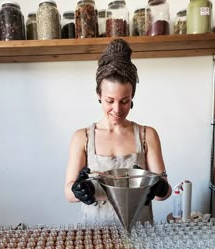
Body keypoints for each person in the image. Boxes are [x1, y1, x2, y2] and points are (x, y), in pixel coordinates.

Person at [65, 38, 172, 225]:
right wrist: (77, 190)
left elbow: (163, 195)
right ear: (99, 95)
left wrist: (160, 188)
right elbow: (68, 193)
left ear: (132, 97)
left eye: (124, 101)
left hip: (139, 231)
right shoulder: (82, 137)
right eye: (109, 100)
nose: (117, 109)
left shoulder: (147, 136)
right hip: (94, 235)